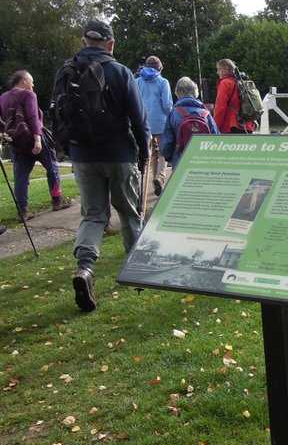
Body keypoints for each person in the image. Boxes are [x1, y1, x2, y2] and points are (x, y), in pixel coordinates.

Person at [52, 19, 150, 312]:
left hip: (83, 155)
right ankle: (136, 266)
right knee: (129, 212)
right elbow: (139, 119)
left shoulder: (66, 71)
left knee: (93, 215)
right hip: (119, 153)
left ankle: (84, 268)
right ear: (111, 44)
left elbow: (57, 113)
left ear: (84, 41)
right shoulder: (119, 72)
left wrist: (69, 149)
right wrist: (144, 153)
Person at [0, 70, 73, 221]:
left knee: (20, 176)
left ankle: (23, 211)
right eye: (31, 81)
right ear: (23, 81)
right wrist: (38, 139)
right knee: (52, 168)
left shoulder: (3, 98)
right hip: (35, 139)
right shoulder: (28, 95)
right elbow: (33, 117)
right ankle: (57, 200)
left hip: (17, 143)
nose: (33, 85)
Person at [161, 76, 219, 168]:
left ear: (177, 93)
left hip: (180, 161)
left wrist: (169, 157)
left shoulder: (174, 113)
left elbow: (167, 141)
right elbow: (216, 138)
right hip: (203, 161)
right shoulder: (206, 114)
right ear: (195, 93)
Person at [136, 55, 172, 196]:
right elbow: (167, 105)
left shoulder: (137, 81)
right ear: (159, 68)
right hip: (161, 123)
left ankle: (153, 181)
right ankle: (160, 177)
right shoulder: (163, 82)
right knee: (162, 152)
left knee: (151, 154)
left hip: (144, 123)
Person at [213, 58, 245, 134]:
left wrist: (215, 126)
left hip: (231, 126)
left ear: (225, 69)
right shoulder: (242, 82)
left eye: (219, 69)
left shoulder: (225, 83)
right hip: (247, 125)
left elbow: (220, 107)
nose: (217, 72)